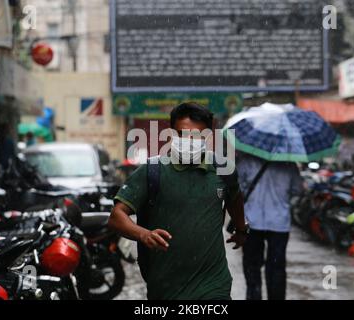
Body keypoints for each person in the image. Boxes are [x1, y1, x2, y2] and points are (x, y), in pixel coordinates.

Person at [108, 102, 247, 300]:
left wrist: (241, 229)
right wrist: (143, 234)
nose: (190, 140)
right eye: (183, 134)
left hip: (214, 285)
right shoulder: (152, 171)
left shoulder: (223, 169)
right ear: (172, 133)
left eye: (197, 136)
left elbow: (235, 198)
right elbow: (116, 217)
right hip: (165, 286)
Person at [236, 152, 304, 300]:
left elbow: (237, 186)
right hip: (279, 222)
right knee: (276, 266)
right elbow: (298, 189)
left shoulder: (247, 161)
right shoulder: (289, 164)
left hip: (252, 221)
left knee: (251, 264)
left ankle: (254, 295)